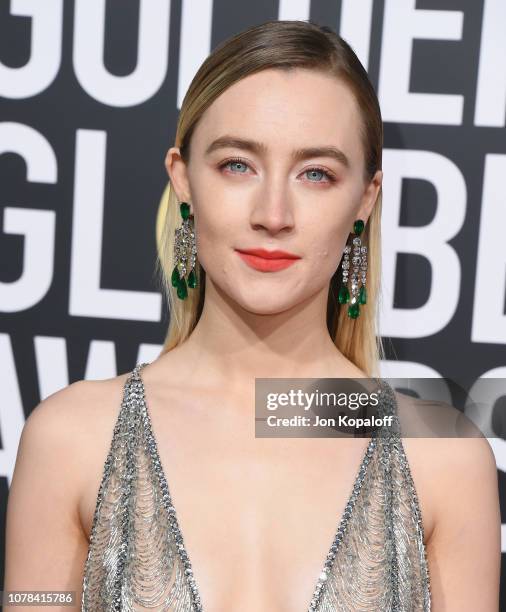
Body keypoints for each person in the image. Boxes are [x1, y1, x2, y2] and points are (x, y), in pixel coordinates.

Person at [3, 19, 501, 612]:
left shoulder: (444, 459)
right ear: (183, 179)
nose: (273, 213)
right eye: (238, 164)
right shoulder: (71, 437)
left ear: (365, 200)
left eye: (316, 173)